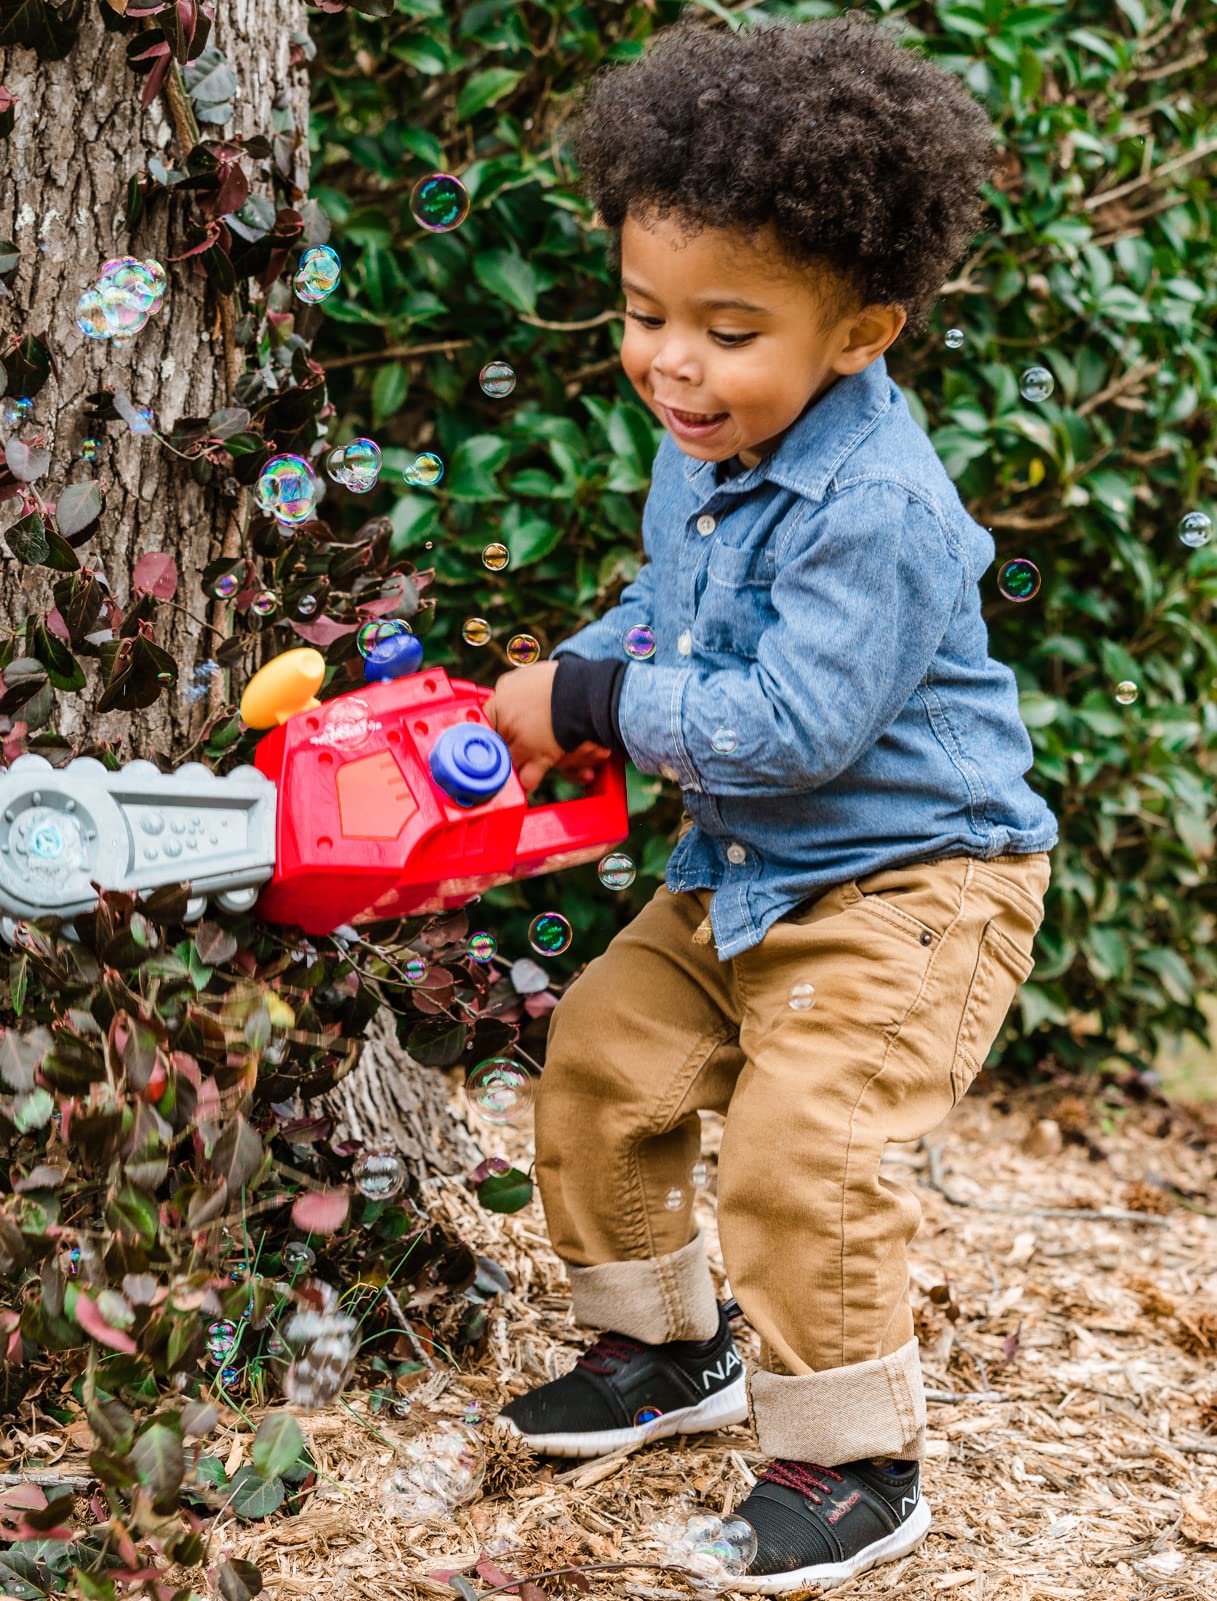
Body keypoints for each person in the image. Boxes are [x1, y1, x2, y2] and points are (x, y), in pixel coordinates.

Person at [483, 14, 1059, 1592]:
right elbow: (675, 610)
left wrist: (596, 706)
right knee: (603, 1058)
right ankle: (666, 1353)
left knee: (804, 1151)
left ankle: (849, 1461)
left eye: (727, 328)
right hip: (748, 865)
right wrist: (573, 672)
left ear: (859, 331)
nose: (671, 360)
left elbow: (791, 722)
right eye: (642, 311)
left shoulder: (878, 507)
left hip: (909, 887)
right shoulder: (706, 438)